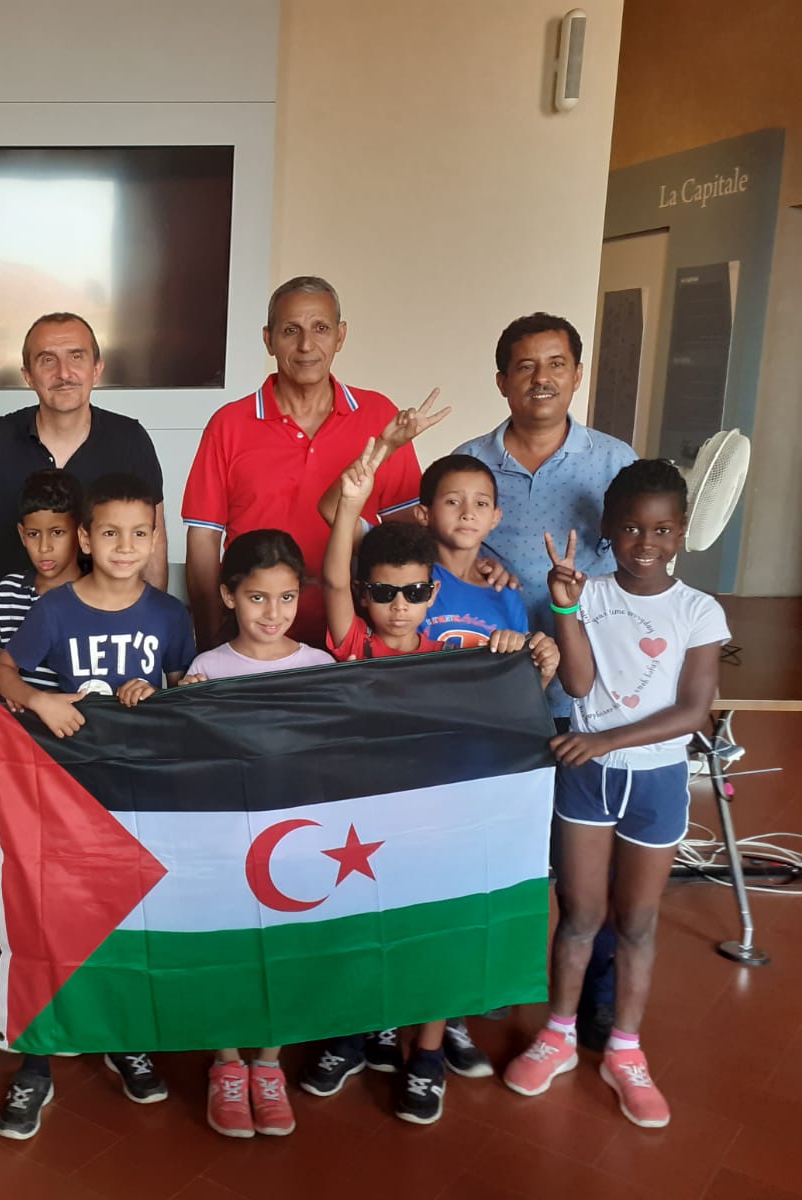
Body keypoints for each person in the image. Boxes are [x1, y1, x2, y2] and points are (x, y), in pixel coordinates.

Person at [308, 440, 552, 1125]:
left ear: (432, 595)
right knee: (363, 921)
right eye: (383, 593)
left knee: (437, 927)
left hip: (446, 810)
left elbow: (524, 684)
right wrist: (351, 502)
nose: (400, 604)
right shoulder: (357, 643)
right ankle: (356, 1030)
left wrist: (529, 650)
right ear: (365, 597)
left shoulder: (459, 644)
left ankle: (428, 1052)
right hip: (363, 814)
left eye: (414, 592)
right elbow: (330, 584)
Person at [504, 461, 727, 1129]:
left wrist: (603, 742)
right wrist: (566, 607)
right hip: (586, 779)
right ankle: (559, 1034)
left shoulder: (698, 611)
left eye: (661, 529)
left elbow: (693, 712)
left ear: (682, 532)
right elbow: (576, 686)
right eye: (630, 527)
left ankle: (625, 1051)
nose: (645, 541)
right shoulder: (590, 594)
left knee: (636, 922)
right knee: (578, 915)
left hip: (653, 780)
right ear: (607, 529)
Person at [0, 472, 195, 1139]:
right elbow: (0, 670)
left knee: (129, 922)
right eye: (110, 532)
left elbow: (188, 695)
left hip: (138, 799)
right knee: (51, 924)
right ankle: (37, 1060)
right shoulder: (55, 609)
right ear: (85, 537)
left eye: (140, 533)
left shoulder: (169, 615)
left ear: (154, 536)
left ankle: (124, 1035)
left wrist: (155, 696)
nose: (125, 545)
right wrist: (42, 700)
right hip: (63, 797)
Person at [454, 313, 637, 1049]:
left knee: (585, 861)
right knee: (501, 851)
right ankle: (493, 983)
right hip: (495, 698)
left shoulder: (614, 463)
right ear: (501, 380)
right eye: (525, 367)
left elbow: (639, 568)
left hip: (587, 696)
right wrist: (477, 562)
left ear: (577, 373)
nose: (541, 379)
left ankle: (595, 996)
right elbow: (442, 557)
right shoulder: (469, 461)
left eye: (556, 364)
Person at [183, 276, 442, 652]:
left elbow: (406, 542)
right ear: (268, 339)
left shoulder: (378, 417)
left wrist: (469, 566)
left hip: (356, 642)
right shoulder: (229, 425)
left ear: (340, 336)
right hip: (255, 644)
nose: (306, 345)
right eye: (291, 330)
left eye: (320, 328)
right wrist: (209, 644)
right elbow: (204, 541)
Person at [177, 529, 332, 1139]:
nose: (274, 613)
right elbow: (187, 760)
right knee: (231, 949)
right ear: (229, 596)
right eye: (258, 598)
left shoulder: (319, 667)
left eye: (287, 598)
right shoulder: (208, 668)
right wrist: (182, 709)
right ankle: (226, 1064)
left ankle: (268, 1065)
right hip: (226, 843)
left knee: (284, 953)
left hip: (296, 839)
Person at [0, 312, 168, 589]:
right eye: (47, 360)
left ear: (96, 369)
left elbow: (154, 533)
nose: (63, 373)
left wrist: (155, 615)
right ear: (28, 376)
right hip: (19, 613)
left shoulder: (130, 439)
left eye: (76, 356)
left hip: (107, 614)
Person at [0, 469, 86, 688]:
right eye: (33, 534)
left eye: (57, 532)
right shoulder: (8, 591)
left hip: (77, 717)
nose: (44, 547)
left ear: (80, 533)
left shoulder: (96, 595)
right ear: (22, 534)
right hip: (18, 715)